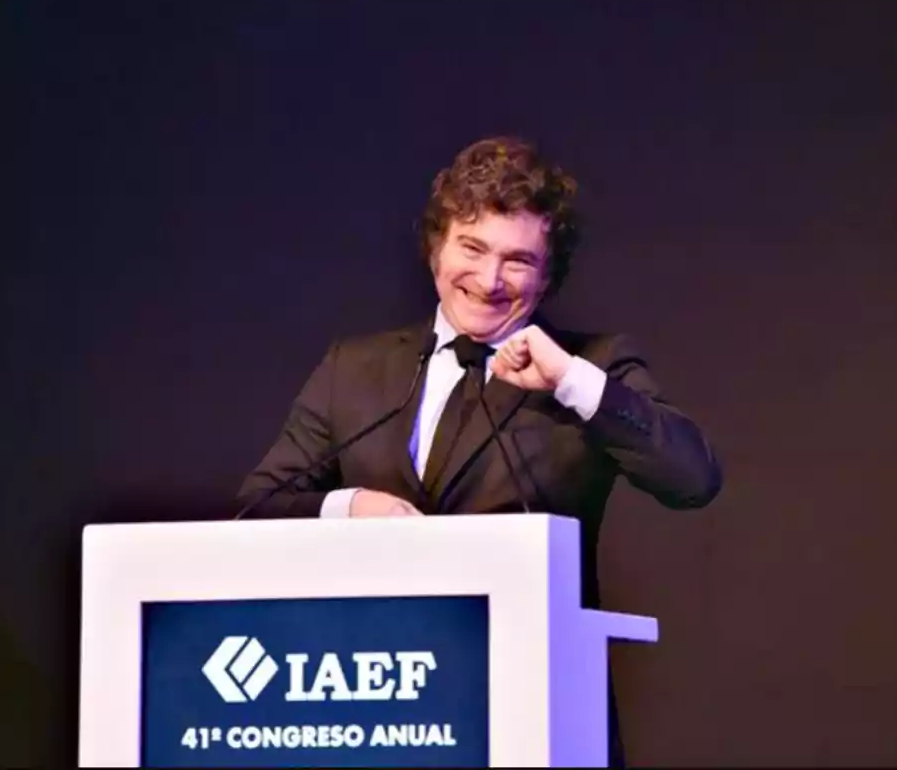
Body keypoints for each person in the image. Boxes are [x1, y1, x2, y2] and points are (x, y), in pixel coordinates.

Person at [234, 135, 723, 766]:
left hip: (530, 714)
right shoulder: (352, 370)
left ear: (548, 277)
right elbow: (256, 508)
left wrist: (573, 383)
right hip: (369, 713)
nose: (490, 280)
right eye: (472, 248)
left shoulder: (591, 367)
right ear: (436, 246)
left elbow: (694, 478)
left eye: (519, 260)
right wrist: (351, 507)